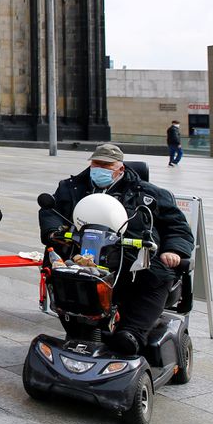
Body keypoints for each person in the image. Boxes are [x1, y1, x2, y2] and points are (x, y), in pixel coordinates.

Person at [40, 144, 193, 355]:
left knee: (158, 273)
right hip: (83, 253)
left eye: (106, 165)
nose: (99, 168)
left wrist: (174, 250)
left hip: (131, 255)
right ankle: (78, 329)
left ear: (120, 168)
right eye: (96, 163)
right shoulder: (71, 187)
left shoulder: (149, 193)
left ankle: (132, 333)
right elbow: (52, 211)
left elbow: (177, 226)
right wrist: (53, 231)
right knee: (57, 270)